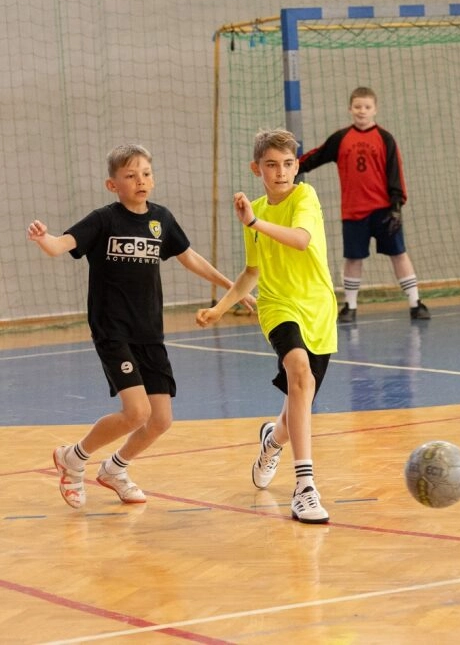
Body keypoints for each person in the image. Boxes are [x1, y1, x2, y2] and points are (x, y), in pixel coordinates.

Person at [28, 143, 248, 510]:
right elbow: (62, 244)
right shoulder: (103, 220)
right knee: (137, 412)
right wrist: (44, 240)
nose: (140, 180)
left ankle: (115, 468)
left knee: (160, 420)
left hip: (150, 331)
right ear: (112, 184)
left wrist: (233, 289)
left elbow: (189, 257)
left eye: (145, 173)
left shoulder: (160, 218)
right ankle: (74, 457)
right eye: (130, 175)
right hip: (113, 330)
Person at [197, 129, 338, 525]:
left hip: (319, 308)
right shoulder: (254, 211)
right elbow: (252, 272)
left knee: (299, 404)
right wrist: (222, 308)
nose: (281, 173)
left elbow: (300, 239)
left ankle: (272, 441)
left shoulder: (304, 198)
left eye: (288, 164)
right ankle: (305, 488)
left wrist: (255, 221)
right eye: (271, 165)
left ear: (297, 166)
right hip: (277, 306)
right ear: (256, 168)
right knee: (300, 374)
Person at [298, 86, 429, 323]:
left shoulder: (385, 139)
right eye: (357, 107)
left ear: (375, 110)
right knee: (353, 258)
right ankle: (350, 306)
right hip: (353, 212)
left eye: (367, 107)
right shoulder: (341, 139)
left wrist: (397, 206)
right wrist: (294, 166)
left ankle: (415, 302)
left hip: (384, 210)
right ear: (350, 109)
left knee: (399, 254)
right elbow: (317, 155)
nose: (362, 111)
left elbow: (395, 172)